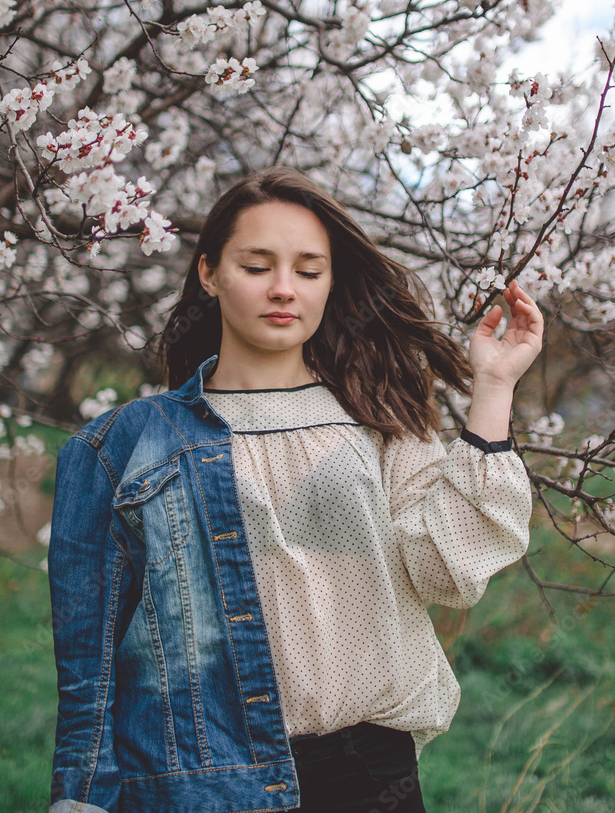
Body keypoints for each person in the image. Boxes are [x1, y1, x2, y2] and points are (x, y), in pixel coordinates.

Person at [47, 165, 543, 813]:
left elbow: (447, 570)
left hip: (371, 778)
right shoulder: (124, 445)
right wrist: (79, 799)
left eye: (309, 271)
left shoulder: (381, 421)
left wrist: (495, 387)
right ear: (209, 273)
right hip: (204, 787)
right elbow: (90, 664)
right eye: (257, 266)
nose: (284, 290)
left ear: (330, 281)